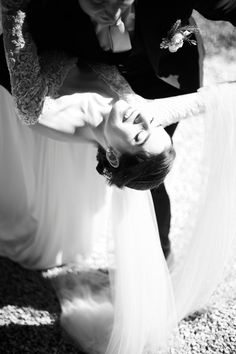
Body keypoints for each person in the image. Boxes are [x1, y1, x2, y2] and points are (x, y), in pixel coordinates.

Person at [1, 1, 236, 353]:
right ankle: (161, 264)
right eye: (153, 124)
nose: (146, 119)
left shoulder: (39, 107)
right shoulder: (134, 111)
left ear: (112, 154)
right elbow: (202, 101)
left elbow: (14, 19)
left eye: (142, 134)